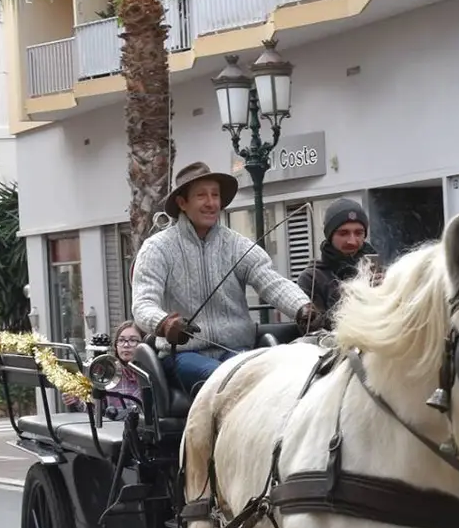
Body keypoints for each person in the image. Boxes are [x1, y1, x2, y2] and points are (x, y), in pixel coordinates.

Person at [130, 162, 320, 390]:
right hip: (183, 355)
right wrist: (164, 323)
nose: (211, 203)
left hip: (237, 351)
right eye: (201, 195)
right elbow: (142, 304)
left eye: (215, 195)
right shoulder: (157, 248)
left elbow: (272, 282)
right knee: (225, 377)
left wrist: (302, 308)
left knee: (267, 379)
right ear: (182, 203)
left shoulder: (238, 245)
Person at [297, 197, 382, 324]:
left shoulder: (378, 272)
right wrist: (350, 297)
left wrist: (388, 294)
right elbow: (312, 328)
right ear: (330, 236)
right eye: (343, 233)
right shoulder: (312, 279)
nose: (352, 241)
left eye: (359, 233)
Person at [99, 322, 146, 418]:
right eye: (121, 340)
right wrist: (74, 401)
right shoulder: (108, 376)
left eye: (133, 340)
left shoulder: (151, 375)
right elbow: (96, 411)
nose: (126, 345)